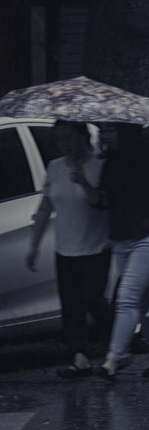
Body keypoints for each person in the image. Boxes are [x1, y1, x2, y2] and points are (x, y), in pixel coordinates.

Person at [24, 121, 111, 379]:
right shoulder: (54, 167)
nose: (63, 144)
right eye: (58, 139)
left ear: (82, 136)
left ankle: (119, 343)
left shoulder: (100, 165)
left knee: (92, 299)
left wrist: (82, 180)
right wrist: (33, 245)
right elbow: (44, 208)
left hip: (96, 246)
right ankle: (79, 357)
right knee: (71, 305)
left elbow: (101, 202)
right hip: (65, 248)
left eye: (67, 137)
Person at [97, 123, 149, 381]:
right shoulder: (110, 161)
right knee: (142, 303)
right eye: (103, 131)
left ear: (125, 131)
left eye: (110, 130)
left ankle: (113, 358)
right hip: (121, 238)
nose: (106, 135)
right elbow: (101, 202)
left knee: (127, 298)